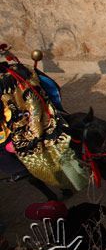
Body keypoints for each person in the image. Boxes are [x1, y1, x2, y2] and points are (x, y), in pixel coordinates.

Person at [0, 43, 88, 191]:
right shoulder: (18, 69)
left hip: (24, 124)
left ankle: (18, 170)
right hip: (44, 110)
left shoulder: (4, 82)